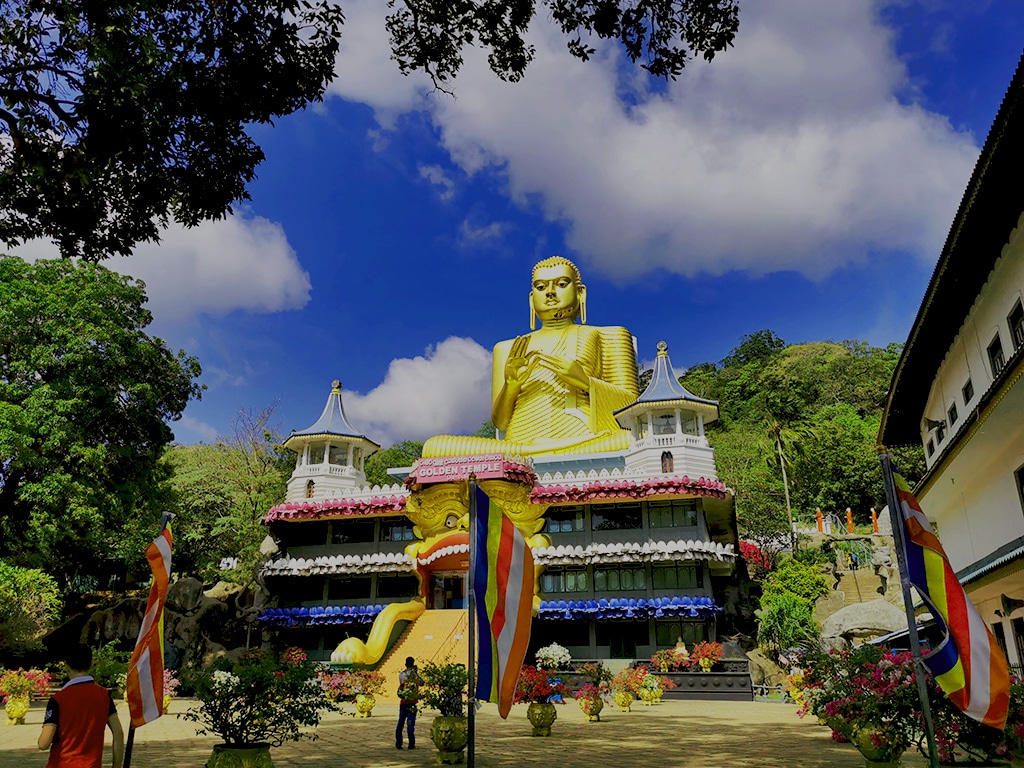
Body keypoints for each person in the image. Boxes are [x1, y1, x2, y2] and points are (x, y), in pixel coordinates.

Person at [422, 256, 639, 457]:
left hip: (585, 441)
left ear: (581, 293)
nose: (550, 292)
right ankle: (532, 454)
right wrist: (512, 385)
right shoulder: (508, 348)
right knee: (435, 447)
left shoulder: (608, 335)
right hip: (520, 444)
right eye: (541, 287)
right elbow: (501, 422)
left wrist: (584, 382)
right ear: (531, 298)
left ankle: (534, 455)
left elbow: (632, 410)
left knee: (638, 438)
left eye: (562, 284)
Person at [38, 644, 125, 768]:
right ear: (91, 663)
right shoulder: (104, 695)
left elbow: (43, 743)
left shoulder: (58, 699)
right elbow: (118, 733)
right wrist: (116, 766)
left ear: (67, 666)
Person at [395, 657, 421, 750]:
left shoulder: (402, 674)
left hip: (403, 702)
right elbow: (421, 683)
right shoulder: (415, 676)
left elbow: (401, 683)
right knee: (410, 724)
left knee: (400, 723)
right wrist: (416, 672)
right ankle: (411, 743)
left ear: (405, 664)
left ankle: (399, 743)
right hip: (412, 702)